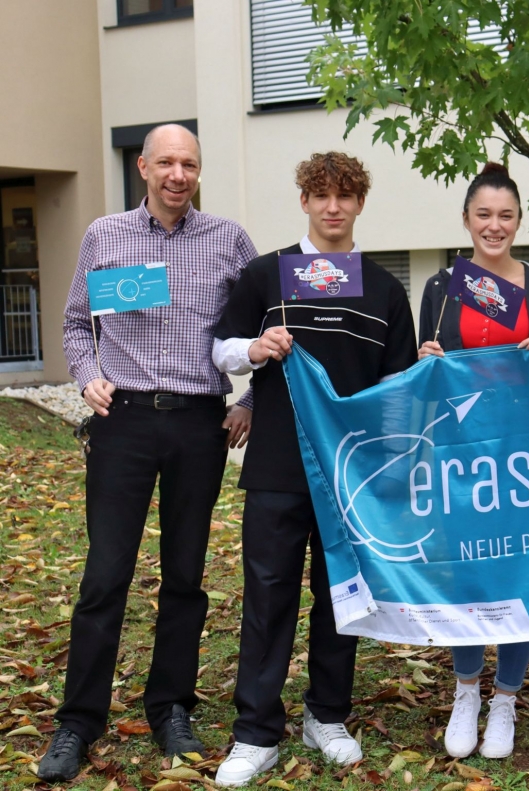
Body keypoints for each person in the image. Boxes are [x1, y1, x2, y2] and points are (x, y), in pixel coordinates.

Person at [42, 124, 258, 783]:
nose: (177, 174)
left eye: (188, 163)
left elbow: (264, 326)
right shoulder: (105, 235)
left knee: (185, 576)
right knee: (104, 576)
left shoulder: (228, 240)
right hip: (125, 422)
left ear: (198, 170)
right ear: (143, 167)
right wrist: (88, 375)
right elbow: (76, 323)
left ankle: (170, 707)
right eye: (166, 162)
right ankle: (79, 721)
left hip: (199, 424)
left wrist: (250, 401)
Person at [209, 152, 417, 786]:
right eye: (321, 195)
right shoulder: (265, 275)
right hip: (277, 466)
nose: (333, 207)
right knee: (267, 598)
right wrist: (256, 348)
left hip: (350, 477)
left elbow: (399, 389)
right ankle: (255, 733)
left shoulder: (384, 290)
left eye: (345, 196)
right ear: (303, 201)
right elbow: (220, 349)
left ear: (360, 204)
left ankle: (326, 716)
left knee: (341, 600)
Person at [418, 162, 529, 760]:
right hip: (460, 456)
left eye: (506, 215)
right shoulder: (441, 288)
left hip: (524, 455)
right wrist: (426, 360)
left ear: (520, 221)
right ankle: (466, 693)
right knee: (468, 571)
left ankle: (505, 698)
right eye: (483, 214)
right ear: (466, 219)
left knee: (516, 571)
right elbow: (421, 381)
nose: (494, 225)